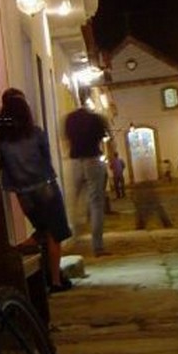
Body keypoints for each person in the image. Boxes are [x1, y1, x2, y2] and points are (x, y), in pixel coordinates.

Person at [0, 88, 73, 292]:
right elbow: (46, 159)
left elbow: (3, 167)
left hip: (23, 194)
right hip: (45, 187)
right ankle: (55, 281)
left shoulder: (1, 139)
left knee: (42, 230)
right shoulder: (36, 133)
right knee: (54, 234)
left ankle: (45, 270)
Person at [64, 102, 109, 257]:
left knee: (73, 201)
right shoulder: (97, 118)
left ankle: (72, 239)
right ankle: (98, 246)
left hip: (75, 161)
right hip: (93, 160)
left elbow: (66, 139)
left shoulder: (69, 118)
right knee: (96, 202)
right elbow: (104, 137)